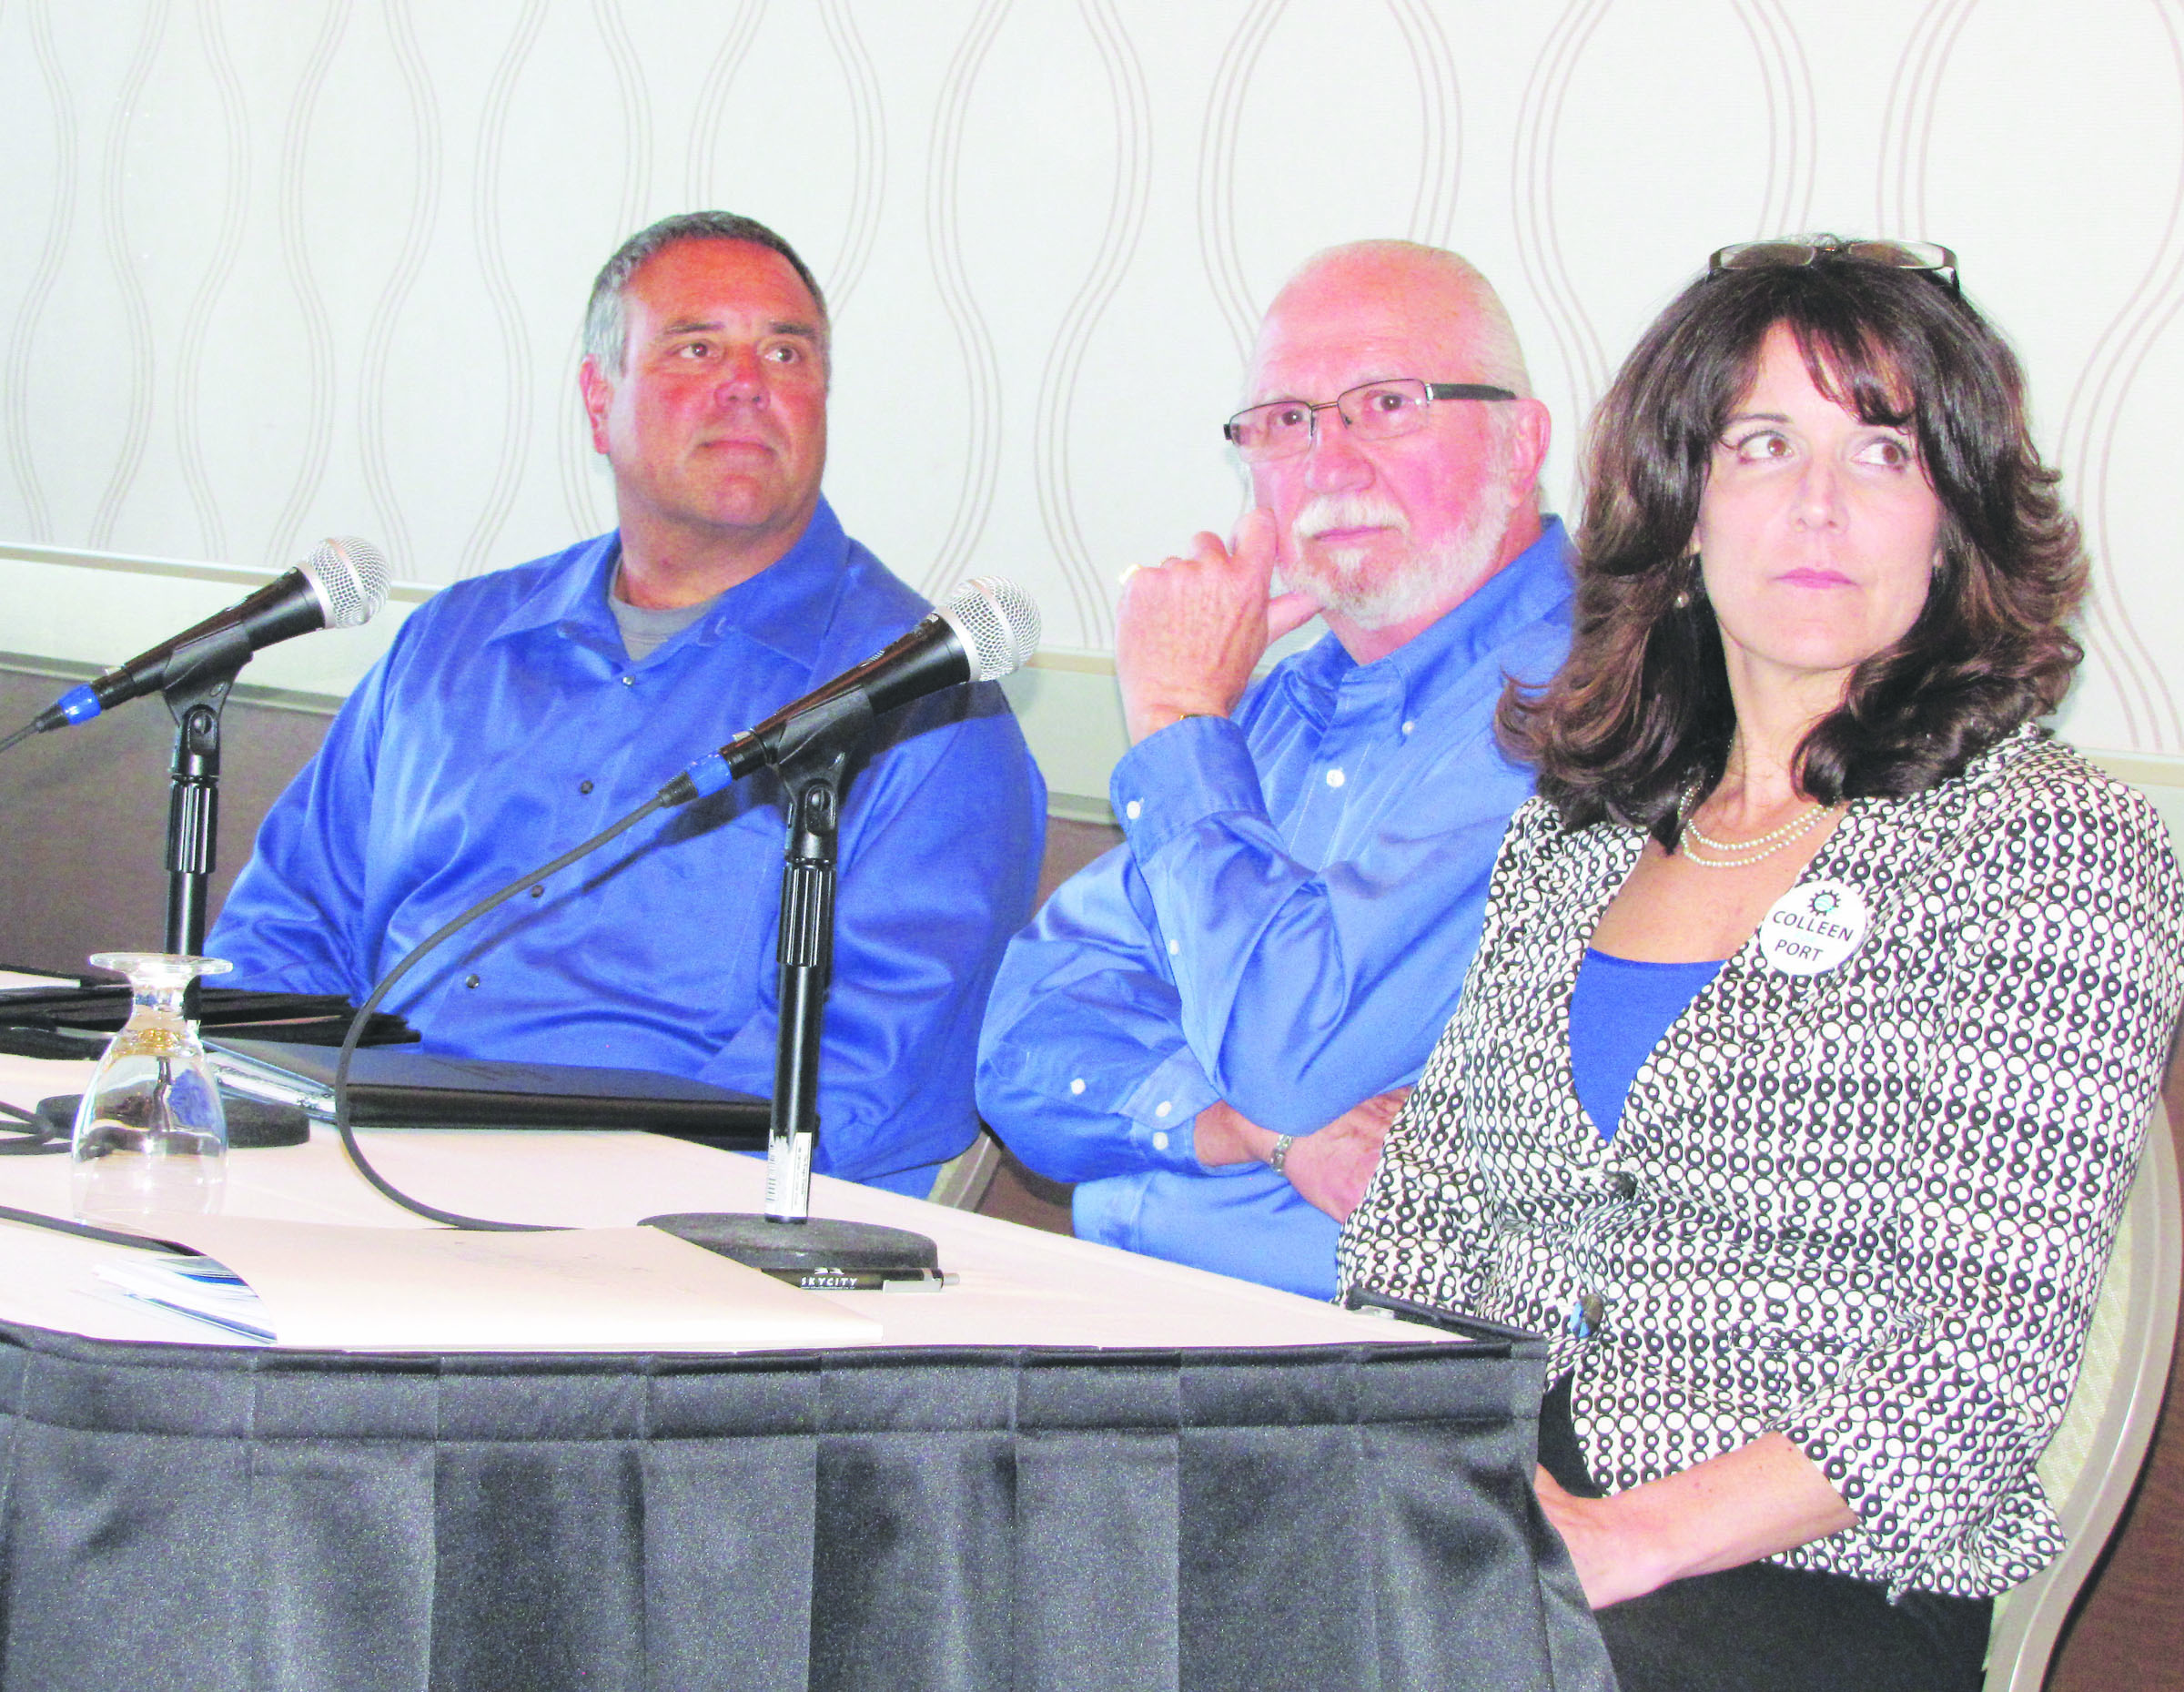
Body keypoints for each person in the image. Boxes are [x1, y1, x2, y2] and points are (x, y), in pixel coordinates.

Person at [1338, 237, 2184, 1691]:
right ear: (1683, 509)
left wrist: (1626, 1533)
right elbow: (1420, 1219)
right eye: (1764, 443)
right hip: (1504, 1498)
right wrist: (1421, 1471)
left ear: (1956, 520)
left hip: (1811, 1574)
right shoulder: (1575, 833)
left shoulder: (2055, 845)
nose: (1816, 502)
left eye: (1883, 451)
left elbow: (1980, 1360)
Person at [208, 212, 1045, 1197]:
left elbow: (853, 1082)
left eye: (786, 351)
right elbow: (284, 928)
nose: (748, 382)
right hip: (351, 1170)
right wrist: (268, 1126)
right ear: (598, 402)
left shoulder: (926, 711)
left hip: (658, 1241)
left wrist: (538, 1201)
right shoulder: (453, 645)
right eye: (698, 347)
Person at [977, 240, 1572, 1297]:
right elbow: (1021, 1044)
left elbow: (1287, 1054)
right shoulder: (1270, 707)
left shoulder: (1581, 708)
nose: (1332, 463)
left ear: (1521, 442)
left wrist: (1173, 712)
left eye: (1388, 404)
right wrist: (1247, 1133)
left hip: (1352, 1392)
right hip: (1117, 1332)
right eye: (1288, 420)